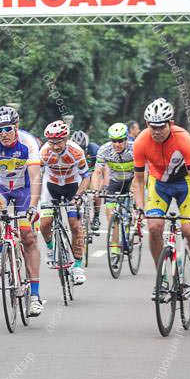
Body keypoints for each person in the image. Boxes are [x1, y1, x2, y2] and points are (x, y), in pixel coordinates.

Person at [131, 98, 190, 298]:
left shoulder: (183, 138)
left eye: (161, 127)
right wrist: (139, 208)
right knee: (154, 227)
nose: (156, 131)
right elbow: (138, 181)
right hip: (159, 184)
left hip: (184, 183)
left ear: (170, 124)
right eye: (151, 126)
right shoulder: (140, 141)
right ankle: (162, 278)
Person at [0, 106, 44, 316]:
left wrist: (33, 206)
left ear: (16, 126)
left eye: (7, 129)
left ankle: (36, 295)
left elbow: (36, 177)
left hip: (25, 189)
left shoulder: (28, 143)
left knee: (28, 237)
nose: (3, 134)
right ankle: (1, 250)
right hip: (0, 187)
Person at [38, 120, 91, 285]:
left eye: (58, 142)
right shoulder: (44, 152)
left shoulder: (76, 152)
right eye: (51, 142)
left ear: (66, 138)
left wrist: (78, 196)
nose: (55, 146)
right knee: (45, 223)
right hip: (51, 186)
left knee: (75, 225)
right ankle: (50, 248)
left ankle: (77, 266)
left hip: (72, 187)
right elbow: (37, 175)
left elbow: (86, 177)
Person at [92, 123, 135, 258]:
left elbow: (142, 172)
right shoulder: (104, 150)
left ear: (126, 139)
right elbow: (98, 171)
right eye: (114, 141)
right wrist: (95, 190)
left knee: (129, 211)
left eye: (120, 140)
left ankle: (130, 222)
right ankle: (115, 246)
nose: (117, 144)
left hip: (132, 179)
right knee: (111, 213)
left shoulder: (135, 149)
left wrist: (135, 189)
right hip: (116, 181)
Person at [70, 129, 102, 230]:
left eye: (83, 148)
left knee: (96, 191)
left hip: (92, 172)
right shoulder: (69, 151)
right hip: (79, 174)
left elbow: (100, 169)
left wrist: (99, 186)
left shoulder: (95, 149)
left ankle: (96, 216)